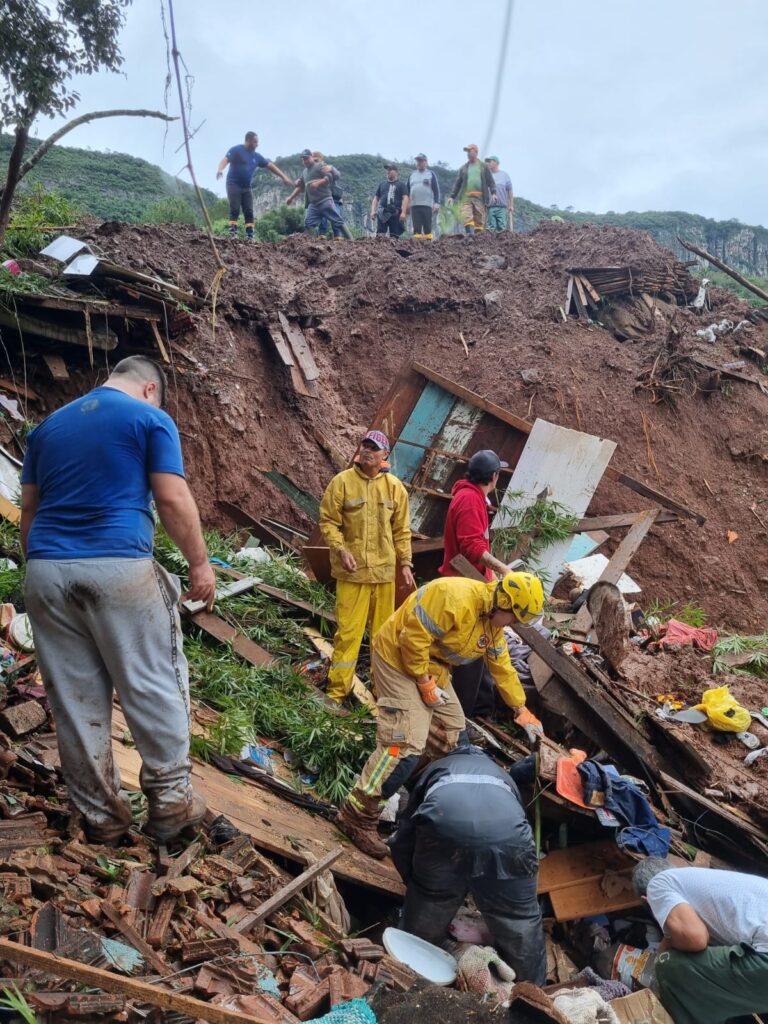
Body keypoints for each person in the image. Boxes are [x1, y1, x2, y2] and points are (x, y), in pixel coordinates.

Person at [20, 356, 216, 846]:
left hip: (45, 570)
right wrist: (199, 564)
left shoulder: (46, 429)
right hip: (118, 565)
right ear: (150, 388)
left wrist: (46, 570)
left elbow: (29, 508)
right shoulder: (150, 418)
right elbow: (170, 497)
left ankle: (101, 817)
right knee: (153, 680)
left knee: (73, 697)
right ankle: (171, 801)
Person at [336, 572, 545, 858]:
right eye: (514, 619)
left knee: (452, 732)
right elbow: (412, 639)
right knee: (403, 743)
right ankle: (358, 813)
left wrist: (522, 711)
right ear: (504, 602)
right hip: (397, 659)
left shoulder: (491, 623)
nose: (514, 625)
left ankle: (406, 786)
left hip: (433, 670)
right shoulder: (453, 597)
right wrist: (423, 683)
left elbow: (502, 666)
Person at [390, 744, 546, 985]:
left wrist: (415, 882)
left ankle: (407, 979)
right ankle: (533, 995)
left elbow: (406, 834)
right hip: (508, 839)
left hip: (443, 824)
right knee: (519, 919)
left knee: (431, 902)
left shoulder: (436, 768)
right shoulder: (502, 775)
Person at [318, 430, 414, 704]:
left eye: (375, 447)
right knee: (348, 634)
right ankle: (336, 693)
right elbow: (328, 522)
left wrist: (405, 563)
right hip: (353, 574)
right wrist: (341, 549)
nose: (368, 450)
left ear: (385, 454)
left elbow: (402, 531)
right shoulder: (342, 483)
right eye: (365, 445)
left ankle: (380, 690)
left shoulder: (395, 488)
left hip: (384, 575)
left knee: (383, 638)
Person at [632, 858, 768, 1024]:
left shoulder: (658, 884)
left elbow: (696, 939)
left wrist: (665, 947)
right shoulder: (703, 884)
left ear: (646, 900)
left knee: (668, 965)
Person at [439, 449, 513, 716]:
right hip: (465, 586)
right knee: (471, 652)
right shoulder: (470, 500)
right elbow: (471, 546)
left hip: (473, 582)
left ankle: (481, 710)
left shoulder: (473, 497)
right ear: (494, 476)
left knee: (480, 653)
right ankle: (462, 715)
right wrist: (503, 568)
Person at [216, 131, 293, 240]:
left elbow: (270, 166)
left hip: (247, 187)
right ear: (248, 141)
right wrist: (220, 169)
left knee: (249, 211)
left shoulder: (256, 157)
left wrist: (284, 177)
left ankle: (250, 236)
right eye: (255, 142)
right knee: (235, 208)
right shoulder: (236, 150)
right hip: (233, 185)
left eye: (257, 142)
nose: (257, 144)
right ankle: (233, 233)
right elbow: (225, 160)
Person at [286, 149, 351, 239]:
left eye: (307, 158)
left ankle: (350, 239)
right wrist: (291, 197)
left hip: (326, 199)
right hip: (314, 203)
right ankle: (312, 243)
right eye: (303, 159)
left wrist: (319, 182)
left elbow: (332, 176)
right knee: (308, 223)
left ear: (311, 158)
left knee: (337, 220)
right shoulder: (304, 172)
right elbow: (301, 186)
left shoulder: (321, 166)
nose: (305, 161)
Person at [447, 144, 497, 234]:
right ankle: (470, 237)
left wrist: (493, 193)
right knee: (467, 217)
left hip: (480, 199)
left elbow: (491, 181)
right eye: (467, 152)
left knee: (479, 222)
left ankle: (478, 242)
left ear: (476, 152)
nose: (468, 154)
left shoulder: (483, 167)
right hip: (466, 198)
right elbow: (457, 184)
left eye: (470, 151)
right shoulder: (463, 168)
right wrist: (452, 197)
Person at [404, 154, 441, 239]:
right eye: (417, 161)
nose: (419, 163)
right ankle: (417, 247)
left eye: (421, 161)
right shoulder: (412, 175)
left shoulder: (431, 174)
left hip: (427, 205)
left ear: (426, 162)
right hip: (414, 206)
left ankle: (428, 246)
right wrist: (405, 205)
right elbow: (407, 191)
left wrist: (437, 203)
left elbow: (436, 190)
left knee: (427, 227)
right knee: (416, 229)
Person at [371, 164, 408, 238]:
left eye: (390, 170)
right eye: (387, 170)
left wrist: (403, 213)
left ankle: (394, 249)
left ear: (396, 172)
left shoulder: (401, 185)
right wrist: (373, 211)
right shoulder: (382, 184)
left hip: (395, 213)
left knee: (394, 236)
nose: (388, 171)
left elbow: (405, 198)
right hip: (382, 212)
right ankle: (379, 249)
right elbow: (376, 198)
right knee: (380, 235)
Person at [317, 161, 345, 238]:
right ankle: (321, 235)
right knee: (323, 218)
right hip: (323, 199)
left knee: (336, 215)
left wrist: (331, 168)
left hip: (334, 199)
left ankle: (338, 235)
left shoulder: (330, 170)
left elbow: (337, 175)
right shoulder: (315, 174)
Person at [486, 156, 514, 233]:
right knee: (491, 229)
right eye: (488, 162)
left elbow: (510, 191)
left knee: (502, 229)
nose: (488, 163)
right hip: (490, 207)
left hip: (502, 207)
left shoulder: (505, 175)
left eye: (490, 161)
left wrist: (511, 205)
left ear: (496, 163)